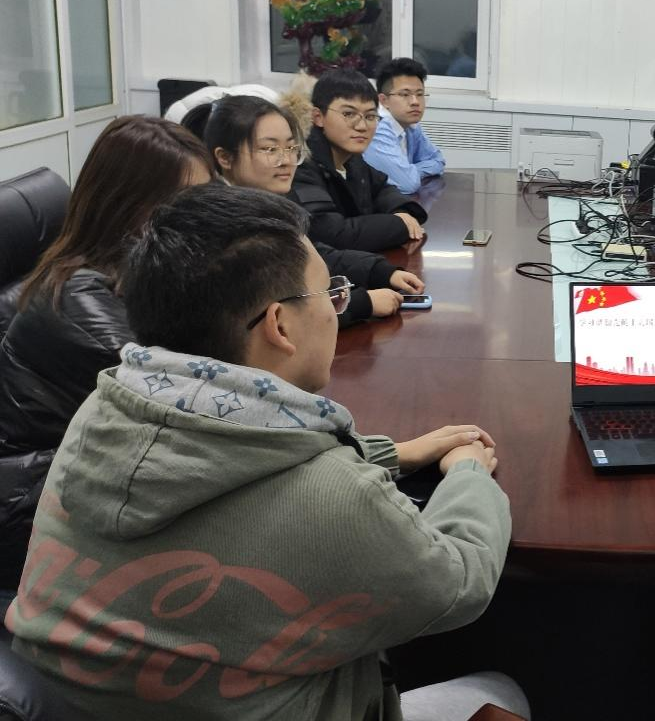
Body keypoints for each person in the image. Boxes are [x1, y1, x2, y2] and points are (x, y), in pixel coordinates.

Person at [5, 184, 526, 721]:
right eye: (331, 294)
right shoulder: (337, 498)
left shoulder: (103, 407)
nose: (337, 308)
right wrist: (468, 474)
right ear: (280, 324)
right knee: (503, 690)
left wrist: (395, 453)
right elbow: (458, 583)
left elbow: (227, 462)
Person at [0, 116, 213, 590]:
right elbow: (189, 399)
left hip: (99, 475)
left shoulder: (146, 270)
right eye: (183, 203)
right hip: (33, 511)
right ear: (128, 204)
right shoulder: (79, 299)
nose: (200, 217)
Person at [182, 95, 425, 326]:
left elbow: (307, 255)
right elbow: (275, 315)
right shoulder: (222, 225)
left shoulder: (266, 203)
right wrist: (363, 303)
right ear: (225, 158)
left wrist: (378, 271)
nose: (286, 160)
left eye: (290, 148)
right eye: (270, 149)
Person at [290, 69, 429, 250]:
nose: (362, 126)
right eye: (349, 114)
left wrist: (401, 212)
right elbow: (334, 235)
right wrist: (399, 224)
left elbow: (383, 189)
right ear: (318, 117)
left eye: (370, 116)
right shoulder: (301, 165)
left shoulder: (352, 159)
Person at [365, 57, 447, 195]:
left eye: (420, 94)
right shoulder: (377, 129)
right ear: (384, 101)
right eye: (405, 94)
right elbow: (407, 183)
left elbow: (438, 160)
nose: (415, 102)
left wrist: (411, 170)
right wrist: (410, 172)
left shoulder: (411, 125)